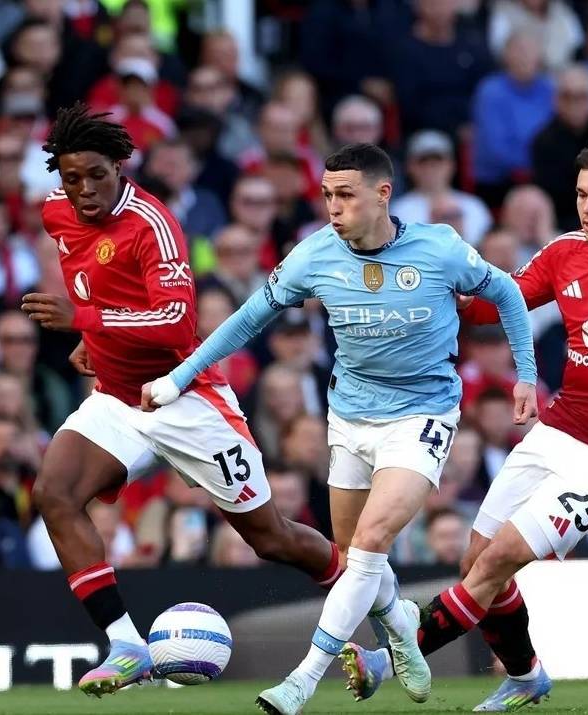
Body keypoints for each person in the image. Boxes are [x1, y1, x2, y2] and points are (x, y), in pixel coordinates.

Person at [142, 142, 537, 714]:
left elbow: (506, 291)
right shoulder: (314, 255)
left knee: (371, 545)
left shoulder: (440, 248)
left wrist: (526, 374)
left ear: (382, 195)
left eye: (345, 194)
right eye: (327, 194)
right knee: (354, 554)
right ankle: (400, 623)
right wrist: (180, 378)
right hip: (349, 419)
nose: (333, 206)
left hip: (421, 416)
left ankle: (302, 679)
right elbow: (249, 318)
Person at [343, 141, 588, 710]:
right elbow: (502, 301)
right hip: (556, 430)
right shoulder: (566, 252)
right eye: (581, 194)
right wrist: (436, 285)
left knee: (499, 559)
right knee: (475, 561)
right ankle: (525, 676)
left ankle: (389, 657)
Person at [21, 104, 344, 697]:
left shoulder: (152, 224)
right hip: (118, 400)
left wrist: (85, 322)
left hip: (184, 397)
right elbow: (102, 287)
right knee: (54, 493)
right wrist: (97, 340)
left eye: (97, 175)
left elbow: (176, 322)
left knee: (271, 537)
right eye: (72, 178)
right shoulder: (55, 212)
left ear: (120, 168)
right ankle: (126, 646)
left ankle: (378, 605)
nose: (85, 189)